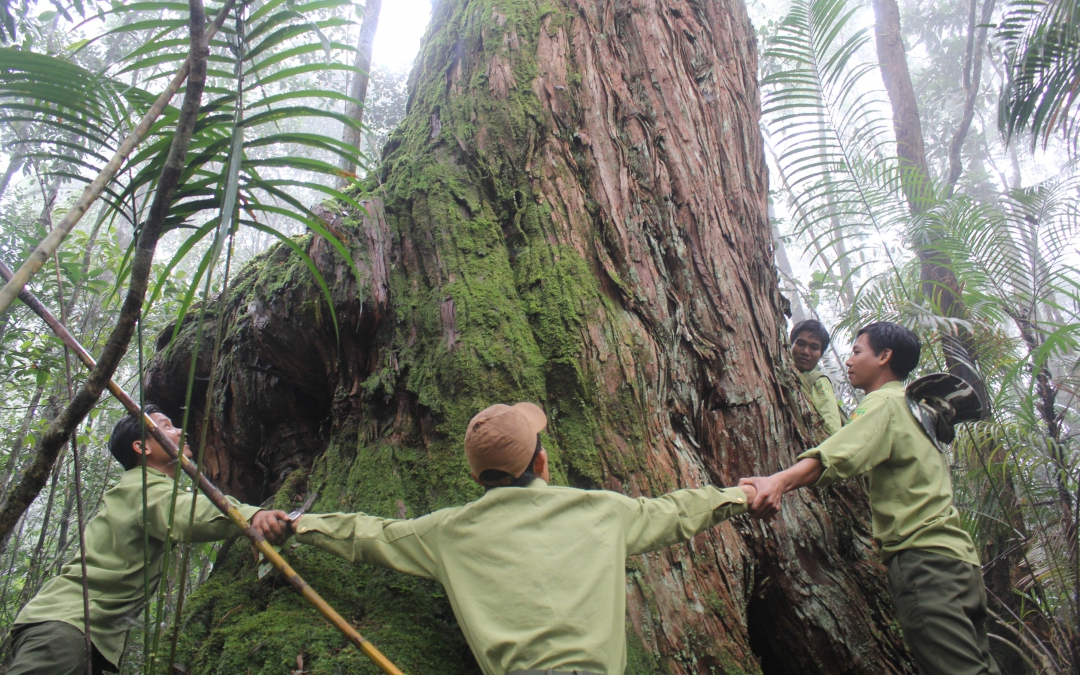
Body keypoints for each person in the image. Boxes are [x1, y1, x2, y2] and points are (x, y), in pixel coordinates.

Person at [257, 402, 757, 675]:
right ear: (541, 462)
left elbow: (371, 535)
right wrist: (742, 493)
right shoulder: (601, 511)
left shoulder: (446, 532)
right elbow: (674, 512)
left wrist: (298, 523)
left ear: (477, 479)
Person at [739, 322, 1000, 675]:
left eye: (857, 351)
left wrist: (778, 482)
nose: (848, 361)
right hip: (960, 563)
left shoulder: (885, 404)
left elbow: (836, 455)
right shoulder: (917, 411)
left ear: (884, 357)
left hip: (923, 561)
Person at [8, 404, 287, 675]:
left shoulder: (139, 487)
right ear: (142, 448)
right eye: (166, 427)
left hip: (71, 630)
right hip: (64, 627)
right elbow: (185, 512)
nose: (181, 432)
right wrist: (252, 516)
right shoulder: (142, 488)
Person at [790, 319, 846, 435]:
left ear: (820, 354)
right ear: (791, 344)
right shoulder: (787, 375)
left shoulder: (818, 380)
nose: (806, 351)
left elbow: (832, 426)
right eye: (801, 344)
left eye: (814, 347)